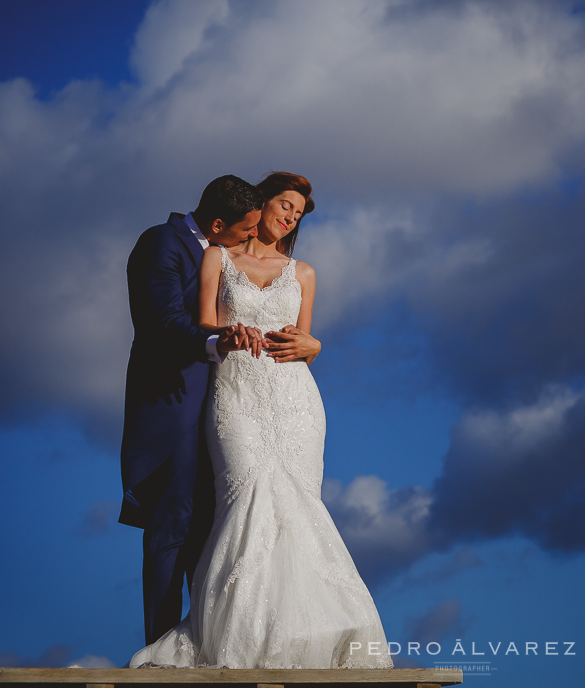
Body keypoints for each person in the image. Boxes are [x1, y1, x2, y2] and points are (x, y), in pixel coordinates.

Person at [128, 172, 393, 669]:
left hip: (295, 403)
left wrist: (315, 347)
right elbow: (203, 324)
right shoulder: (216, 256)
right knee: (246, 500)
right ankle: (235, 638)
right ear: (264, 202)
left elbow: (302, 346)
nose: (291, 216)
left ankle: (303, 636)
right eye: (286, 204)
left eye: (299, 212)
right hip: (237, 393)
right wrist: (229, 333)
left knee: (298, 508)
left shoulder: (305, 273)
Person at [119, 174, 266, 646]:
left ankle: (207, 642)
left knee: (215, 525)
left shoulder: (225, 252)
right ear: (219, 222)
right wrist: (216, 340)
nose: (252, 236)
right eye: (246, 229)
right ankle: (160, 649)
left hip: (226, 407)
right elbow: (161, 322)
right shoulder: (161, 243)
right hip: (176, 400)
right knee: (174, 522)